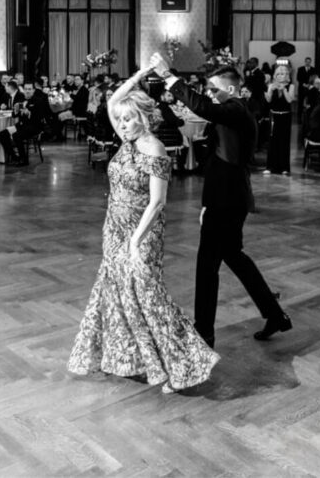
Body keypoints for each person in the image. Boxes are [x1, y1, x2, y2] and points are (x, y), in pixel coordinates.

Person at [67, 69, 219, 393]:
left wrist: (136, 241)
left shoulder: (155, 149)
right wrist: (142, 73)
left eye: (128, 119)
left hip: (143, 233)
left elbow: (158, 202)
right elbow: (111, 101)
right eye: (119, 120)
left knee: (151, 300)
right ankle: (133, 359)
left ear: (145, 119)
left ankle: (184, 368)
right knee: (118, 294)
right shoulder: (128, 139)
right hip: (113, 230)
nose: (120, 125)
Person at [150, 53, 292, 348]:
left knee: (207, 265)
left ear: (230, 89)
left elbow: (201, 107)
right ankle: (274, 314)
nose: (209, 94)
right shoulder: (231, 111)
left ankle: (204, 332)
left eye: (213, 89)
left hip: (227, 200)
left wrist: (168, 76)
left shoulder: (236, 109)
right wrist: (205, 202)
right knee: (235, 258)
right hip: (226, 197)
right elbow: (216, 160)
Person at [263, 63, 295, 176]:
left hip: (285, 116)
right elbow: (268, 100)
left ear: (287, 75)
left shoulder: (291, 86)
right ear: (276, 75)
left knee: (284, 141)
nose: (282, 75)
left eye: (284, 73)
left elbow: (290, 100)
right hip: (274, 116)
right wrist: (270, 90)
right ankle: (270, 167)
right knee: (273, 141)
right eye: (279, 73)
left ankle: (284, 168)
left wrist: (284, 89)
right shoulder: (271, 85)